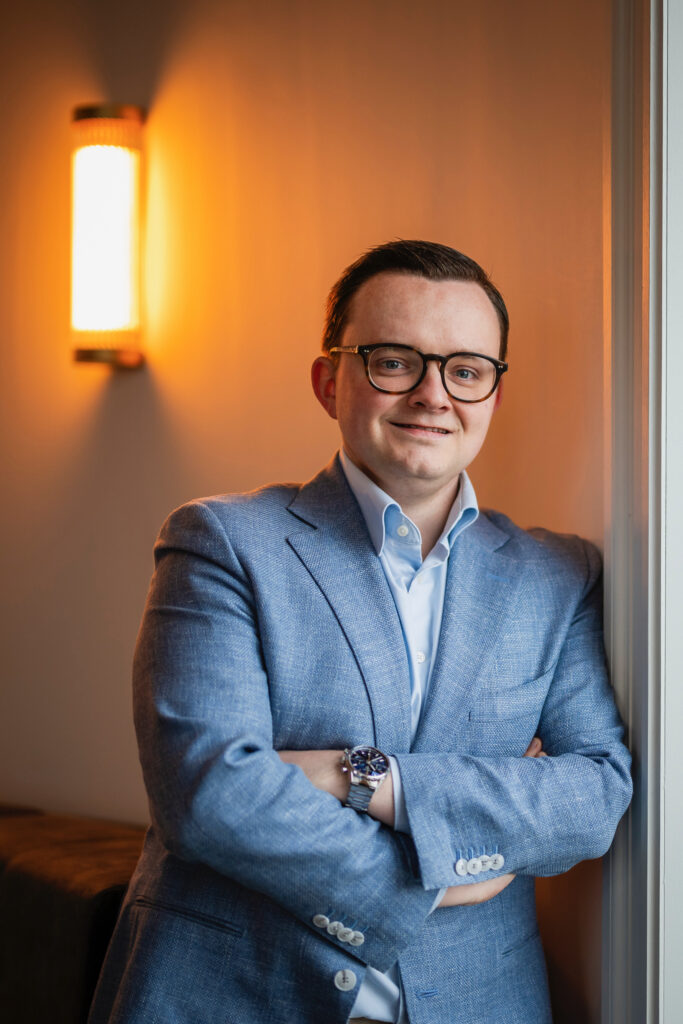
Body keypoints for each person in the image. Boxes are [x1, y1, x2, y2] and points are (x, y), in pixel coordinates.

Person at [88, 240, 632, 1024]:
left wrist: (358, 775)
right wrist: (428, 878)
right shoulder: (221, 542)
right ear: (328, 380)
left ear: (492, 396)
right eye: (393, 362)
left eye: (465, 370)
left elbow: (593, 793)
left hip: (478, 1000)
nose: (433, 395)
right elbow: (206, 791)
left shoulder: (559, 574)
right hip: (232, 994)